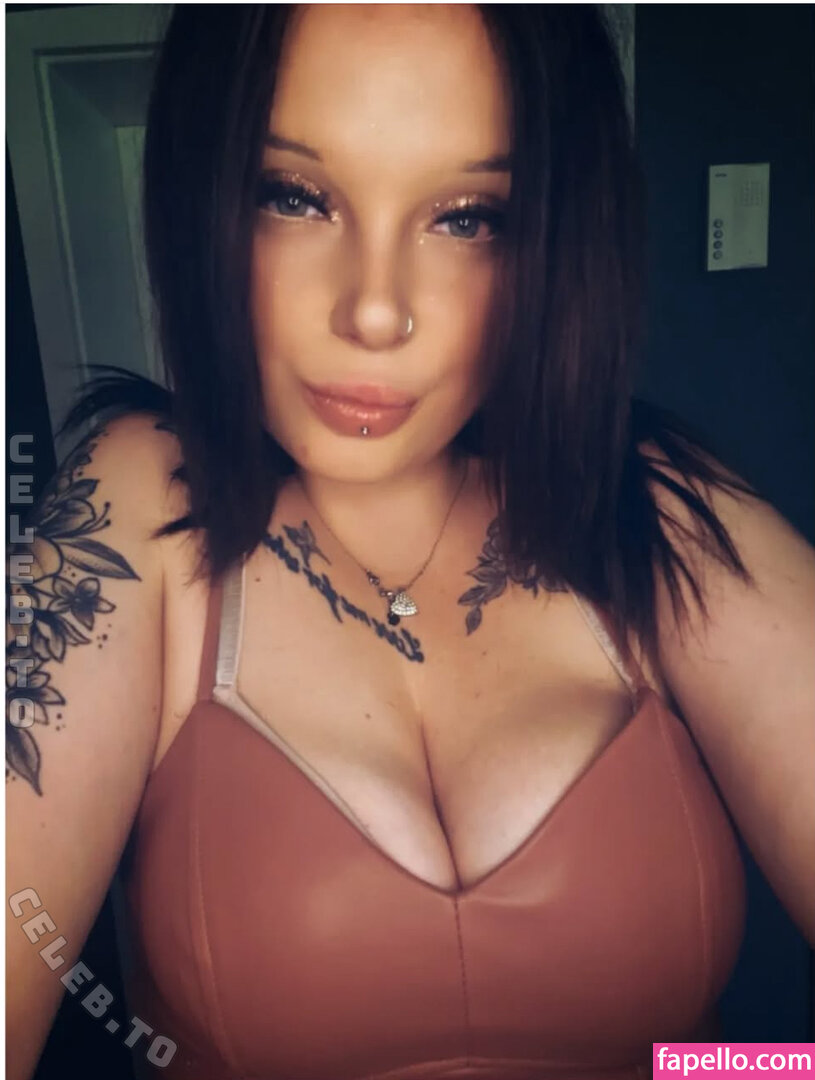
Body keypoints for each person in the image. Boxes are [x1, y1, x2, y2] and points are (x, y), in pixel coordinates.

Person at [7, 6, 814, 1079]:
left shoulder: (651, 503)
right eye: (294, 196)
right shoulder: (140, 498)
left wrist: (751, 1068)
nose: (375, 312)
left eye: (466, 217)